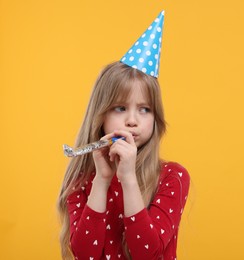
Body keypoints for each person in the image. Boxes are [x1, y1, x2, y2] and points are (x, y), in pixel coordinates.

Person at [57, 11, 190, 260]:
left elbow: (147, 253)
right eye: (120, 108)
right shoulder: (80, 182)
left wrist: (128, 178)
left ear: (155, 117)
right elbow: (84, 254)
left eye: (144, 109)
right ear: (101, 115)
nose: (132, 120)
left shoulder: (173, 177)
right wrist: (102, 181)